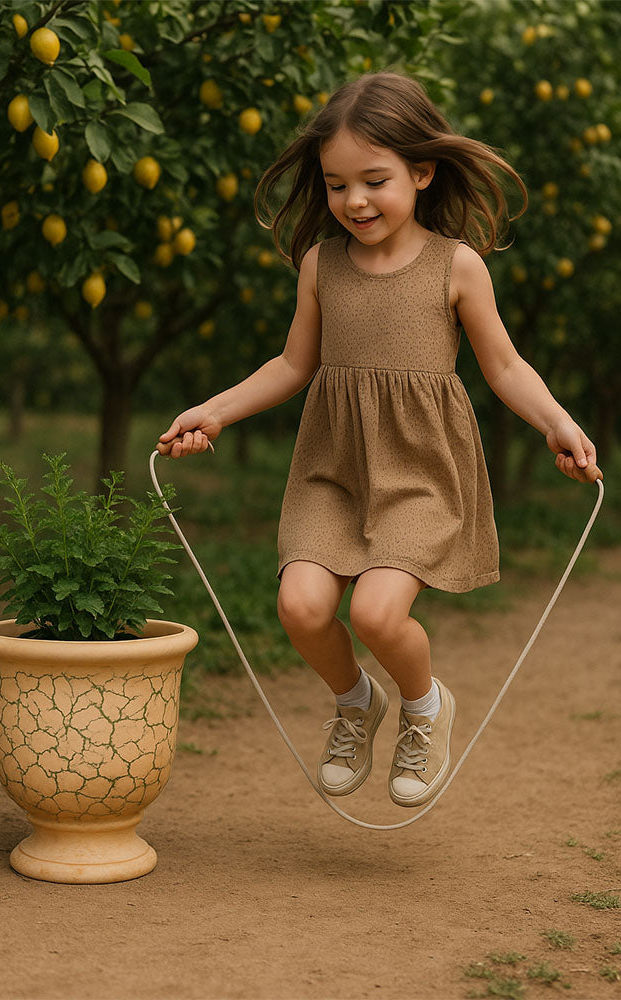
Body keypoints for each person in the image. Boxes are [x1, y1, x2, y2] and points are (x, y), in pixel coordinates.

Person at [157, 72, 600, 808]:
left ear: (422, 172)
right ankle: (358, 702)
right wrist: (215, 410)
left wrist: (557, 421)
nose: (354, 201)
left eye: (374, 181)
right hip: (333, 468)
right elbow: (294, 364)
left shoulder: (455, 265)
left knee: (375, 612)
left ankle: (425, 708)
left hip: (422, 474)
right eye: (336, 185)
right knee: (300, 607)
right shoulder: (320, 264)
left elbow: (506, 365)